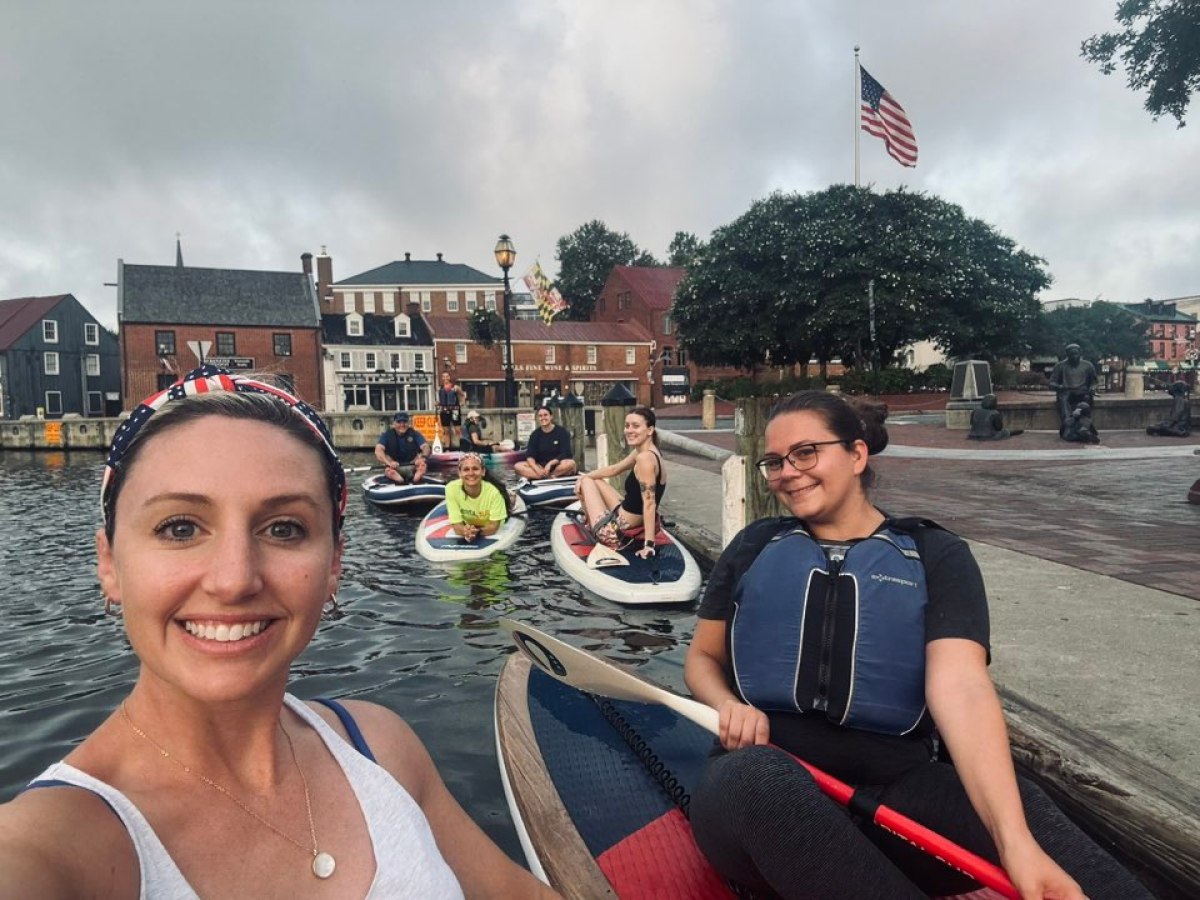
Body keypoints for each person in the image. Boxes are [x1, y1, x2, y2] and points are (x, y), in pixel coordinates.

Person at [0, 366, 556, 899]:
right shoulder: (50, 848)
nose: (234, 580)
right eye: (180, 527)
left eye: (284, 528)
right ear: (109, 563)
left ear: (335, 563)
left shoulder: (381, 747)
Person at [682, 390, 1150, 900]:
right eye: (774, 461)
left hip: (894, 795)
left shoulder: (936, 555)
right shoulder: (753, 547)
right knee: (761, 778)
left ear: (858, 455)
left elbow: (962, 688)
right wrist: (727, 704)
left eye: (805, 453)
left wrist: (1014, 842)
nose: (787, 472)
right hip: (760, 786)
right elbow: (703, 659)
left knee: (1024, 812)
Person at [573, 406, 663, 560]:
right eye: (627, 425)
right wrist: (583, 476)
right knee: (591, 479)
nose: (629, 430)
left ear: (650, 430)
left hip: (615, 532)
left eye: (636, 426)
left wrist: (649, 545)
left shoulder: (645, 459)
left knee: (587, 482)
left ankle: (589, 524)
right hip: (625, 516)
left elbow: (650, 503)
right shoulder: (646, 451)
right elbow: (615, 469)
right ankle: (590, 516)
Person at [445, 452, 510, 542]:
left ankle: (511, 497)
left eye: (475, 469)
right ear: (459, 473)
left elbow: (494, 526)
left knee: (508, 503)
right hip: (470, 525)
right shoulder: (451, 489)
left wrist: (476, 532)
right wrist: (465, 531)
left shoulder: (494, 493)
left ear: (483, 471)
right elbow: (456, 526)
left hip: (489, 522)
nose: (471, 473)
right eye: (466, 469)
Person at [1047, 344, 1098, 438]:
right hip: (1067, 392)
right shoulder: (1060, 366)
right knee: (1063, 398)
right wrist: (1060, 386)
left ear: (1080, 353)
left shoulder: (1088, 365)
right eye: (1071, 354)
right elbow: (1051, 383)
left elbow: (1094, 382)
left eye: (1076, 354)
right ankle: (1068, 424)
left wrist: (1092, 388)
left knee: (1086, 401)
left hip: (1083, 392)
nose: (1074, 356)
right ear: (1067, 355)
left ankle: (1084, 426)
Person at [514, 407, 578, 480]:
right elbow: (530, 455)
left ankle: (550, 475)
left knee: (571, 464)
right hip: (541, 466)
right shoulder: (535, 435)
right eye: (540, 416)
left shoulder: (562, 432)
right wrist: (536, 469)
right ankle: (545, 476)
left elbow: (565, 453)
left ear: (551, 417)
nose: (543, 418)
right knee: (518, 466)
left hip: (558, 465)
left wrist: (550, 463)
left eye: (545, 415)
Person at [375, 411, 429, 484]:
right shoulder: (386, 435)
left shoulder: (415, 434)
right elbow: (378, 450)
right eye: (399, 422)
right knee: (389, 470)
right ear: (394, 423)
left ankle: (415, 479)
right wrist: (388, 463)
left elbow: (425, 447)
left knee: (423, 466)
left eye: (404, 422)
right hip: (394, 467)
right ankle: (399, 480)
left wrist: (423, 458)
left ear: (408, 423)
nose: (402, 425)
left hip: (412, 465)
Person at [437, 372, 465, 447]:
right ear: (442, 378)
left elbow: (462, 395)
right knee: (446, 431)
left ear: (449, 377)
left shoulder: (455, 387)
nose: (445, 378)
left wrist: (462, 403)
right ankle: (447, 449)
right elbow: (442, 400)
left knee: (458, 430)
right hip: (444, 411)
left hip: (455, 411)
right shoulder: (440, 388)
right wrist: (438, 403)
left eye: (447, 376)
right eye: (444, 376)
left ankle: (463, 447)